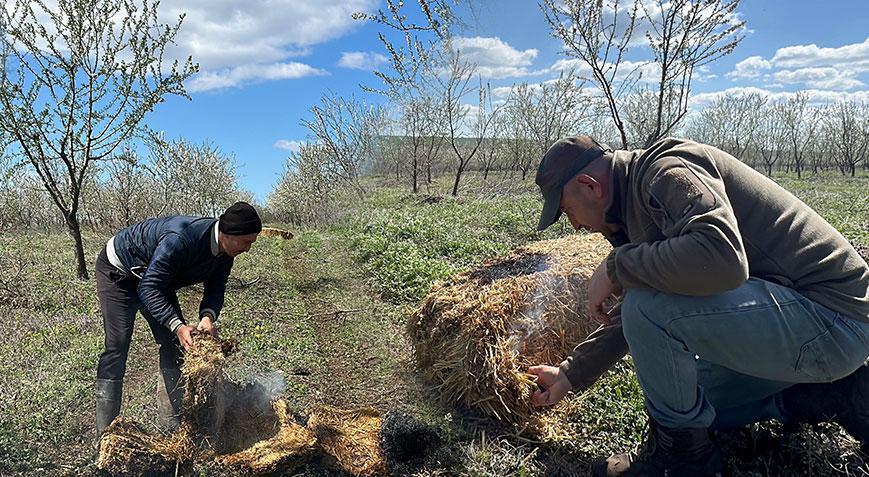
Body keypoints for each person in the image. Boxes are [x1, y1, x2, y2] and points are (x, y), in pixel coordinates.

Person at [528, 136, 869, 476]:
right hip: (813, 326)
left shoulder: (666, 170)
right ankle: (824, 392)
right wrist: (571, 373)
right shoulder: (630, 205)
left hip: (833, 319)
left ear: (590, 186)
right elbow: (645, 305)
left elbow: (722, 260)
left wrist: (618, 265)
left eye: (567, 210)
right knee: (689, 398)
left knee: (649, 315)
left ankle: (683, 462)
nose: (574, 224)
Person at [94, 202, 262, 441]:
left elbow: (216, 288)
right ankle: (106, 435)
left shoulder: (225, 253)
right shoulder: (182, 239)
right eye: (247, 242)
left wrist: (207, 318)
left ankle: (170, 428)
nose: (248, 249)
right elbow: (149, 288)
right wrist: (178, 325)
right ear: (228, 234)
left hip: (154, 278)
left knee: (174, 344)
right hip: (118, 270)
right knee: (118, 343)